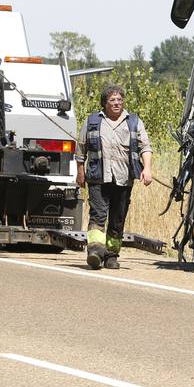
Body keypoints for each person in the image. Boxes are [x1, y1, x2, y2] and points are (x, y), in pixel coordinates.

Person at [78, 83, 153, 270]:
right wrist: (80, 173)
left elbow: (145, 147)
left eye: (119, 99)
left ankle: (111, 255)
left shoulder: (134, 122)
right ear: (105, 103)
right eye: (112, 100)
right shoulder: (92, 121)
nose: (117, 103)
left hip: (123, 179)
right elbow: (81, 149)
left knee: (117, 219)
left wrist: (147, 168)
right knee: (98, 215)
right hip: (98, 177)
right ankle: (95, 252)